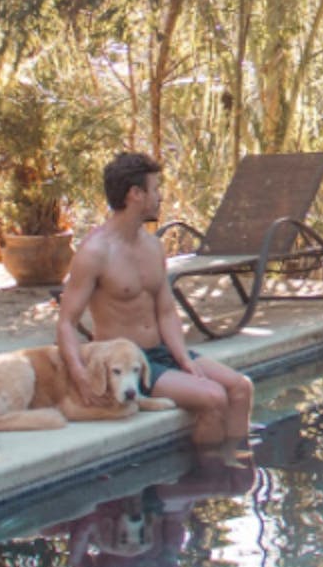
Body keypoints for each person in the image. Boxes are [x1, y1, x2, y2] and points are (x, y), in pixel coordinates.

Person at [57, 151, 254, 445]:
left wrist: (184, 358)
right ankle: (209, 475)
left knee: (241, 388)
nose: (160, 197)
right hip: (127, 364)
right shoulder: (96, 252)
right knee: (213, 397)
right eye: (155, 189)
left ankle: (237, 463)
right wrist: (80, 373)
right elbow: (66, 322)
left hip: (161, 352)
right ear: (135, 194)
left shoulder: (152, 247)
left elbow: (166, 312)